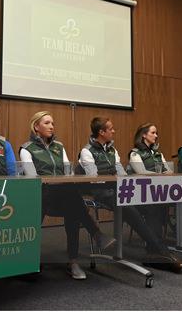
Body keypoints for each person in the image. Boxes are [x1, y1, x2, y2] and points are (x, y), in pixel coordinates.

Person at [78, 117, 182, 273]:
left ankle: (153, 253)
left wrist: (122, 182)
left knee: (150, 203)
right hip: (102, 192)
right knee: (127, 206)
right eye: (111, 129)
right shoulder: (87, 151)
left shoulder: (112, 150)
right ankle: (161, 249)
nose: (114, 131)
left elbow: (122, 174)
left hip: (119, 189)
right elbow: (95, 179)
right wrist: (115, 179)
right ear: (101, 132)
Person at [19, 111, 115, 280]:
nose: (51, 126)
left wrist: (62, 182)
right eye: (47, 123)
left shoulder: (59, 147)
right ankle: (94, 235)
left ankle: (73, 261)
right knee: (73, 200)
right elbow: (32, 178)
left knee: (72, 201)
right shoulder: (27, 149)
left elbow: (67, 173)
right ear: (36, 127)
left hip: (62, 197)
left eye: (53, 123)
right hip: (40, 196)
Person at [128, 123, 171, 255]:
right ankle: (155, 245)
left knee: (170, 201)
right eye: (153, 133)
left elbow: (168, 171)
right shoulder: (135, 153)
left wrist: (165, 173)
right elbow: (141, 172)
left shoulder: (158, 153)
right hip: (140, 193)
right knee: (154, 205)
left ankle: (158, 242)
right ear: (144, 135)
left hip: (159, 191)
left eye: (156, 133)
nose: (156, 136)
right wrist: (159, 174)